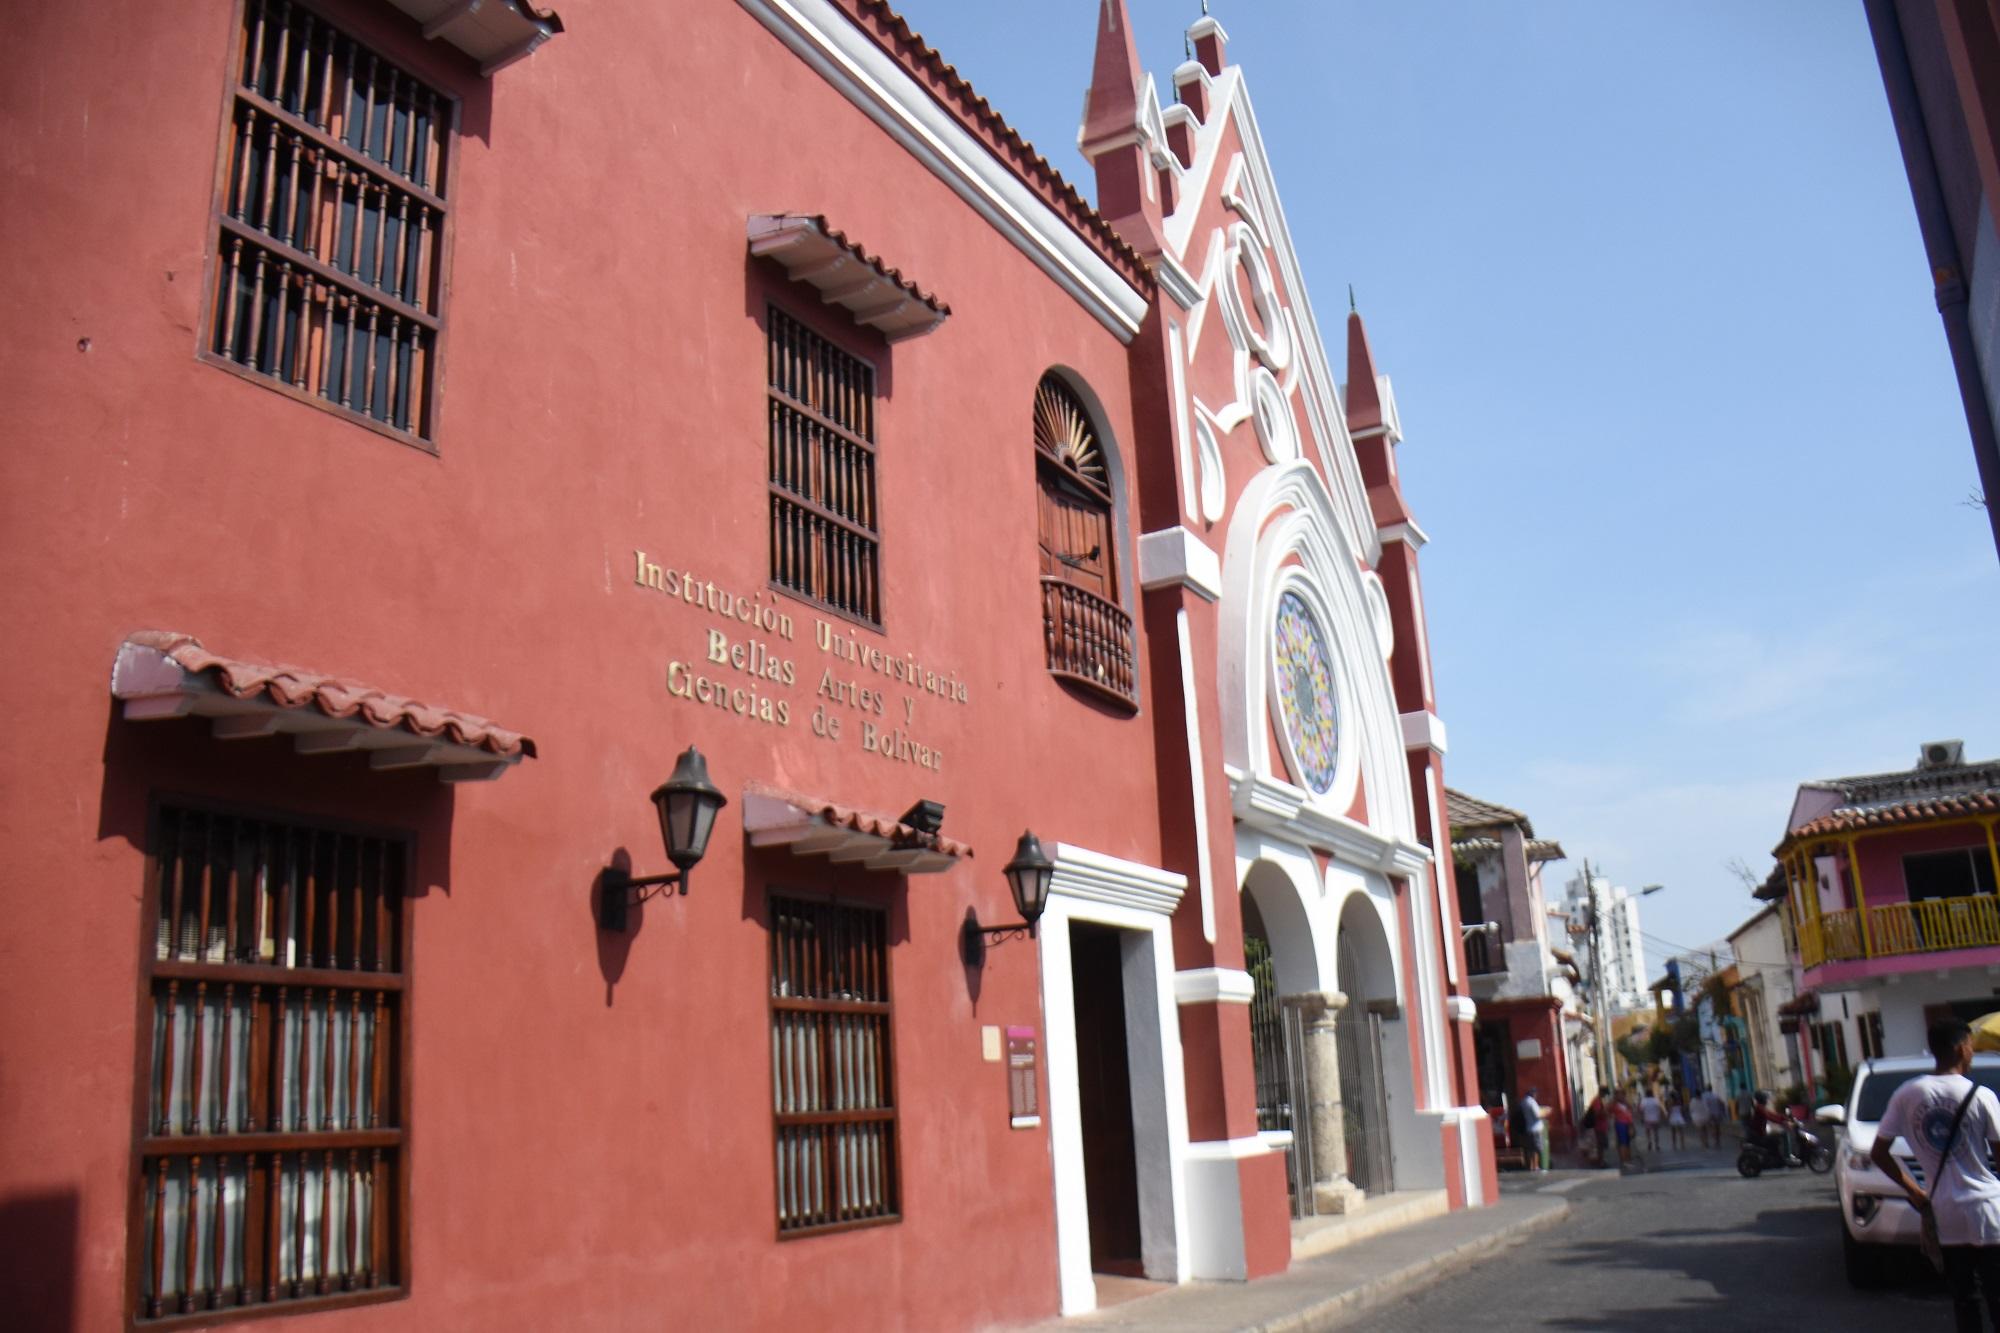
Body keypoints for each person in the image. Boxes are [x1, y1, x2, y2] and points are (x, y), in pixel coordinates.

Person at [1870, 1018, 2000, 1332]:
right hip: (1989, 1211)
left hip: (1945, 1212)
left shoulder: (1907, 1094)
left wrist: (1915, 1192)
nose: (1972, 1053)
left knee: (1964, 1299)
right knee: (1998, 1297)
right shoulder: (1982, 1096)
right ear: (1959, 1048)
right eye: (1970, 1046)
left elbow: (1878, 1152)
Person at [1744, 1090, 1793, 1165]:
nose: (1766, 1100)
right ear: (1762, 1099)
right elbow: (1769, 1117)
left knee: (1776, 1138)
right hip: (1758, 1136)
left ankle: (1779, 1157)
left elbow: (1773, 1115)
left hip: (1759, 1134)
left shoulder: (1761, 1107)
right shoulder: (1759, 1108)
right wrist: (1783, 1122)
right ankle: (1787, 1157)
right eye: (1765, 1098)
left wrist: (1784, 1118)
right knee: (1784, 1134)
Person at [1519, 1085, 1550, 1172]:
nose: (1536, 1095)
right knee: (1536, 1148)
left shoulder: (1524, 1101)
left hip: (1528, 1128)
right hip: (1535, 1128)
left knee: (1530, 1148)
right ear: (1533, 1094)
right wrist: (1546, 1112)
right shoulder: (1532, 1102)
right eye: (1535, 1093)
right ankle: (1535, 1166)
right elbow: (1537, 1115)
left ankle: (1531, 1166)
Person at [1613, 1089, 1636, 1165]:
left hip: (1628, 1124)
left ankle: (1628, 1158)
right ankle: (1624, 1160)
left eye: (1623, 1094)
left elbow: (1631, 1111)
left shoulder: (1626, 1104)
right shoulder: (1614, 1104)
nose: (1622, 1096)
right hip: (1621, 1124)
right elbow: (1607, 1111)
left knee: (1627, 1142)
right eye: (1619, 1095)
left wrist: (1632, 1125)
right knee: (1623, 1143)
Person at [1640, 1086, 1665, 1152]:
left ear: (1646, 1093)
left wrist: (1642, 1118)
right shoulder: (1656, 1100)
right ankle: (1657, 1145)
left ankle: (1649, 1141)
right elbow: (1660, 1108)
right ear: (1652, 1093)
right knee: (1656, 1132)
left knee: (1648, 1132)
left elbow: (1641, 1110)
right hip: (1655, 1119)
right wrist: (1662, 1117)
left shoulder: (1644, 1101)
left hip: (1647, 1119)